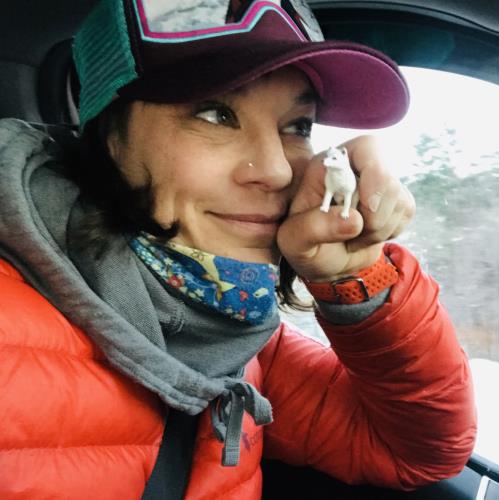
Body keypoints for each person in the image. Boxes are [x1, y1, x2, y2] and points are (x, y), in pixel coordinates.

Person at [0, 0, 476, 498]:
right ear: (108, 136)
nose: (277, 171)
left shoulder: (234, 333)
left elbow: (417, 451)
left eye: (298, 126)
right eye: (216, 114)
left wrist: (355, 275)